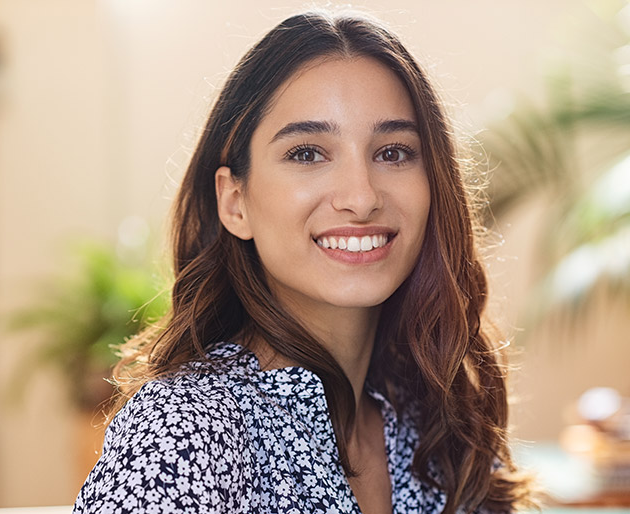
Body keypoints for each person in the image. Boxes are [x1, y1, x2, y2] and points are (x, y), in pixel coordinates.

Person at [73, 10, 534, 514]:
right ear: (235, 202)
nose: (361, 197)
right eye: (308, 153)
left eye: (394, 152)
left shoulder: (438, 418)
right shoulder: (181, 432)